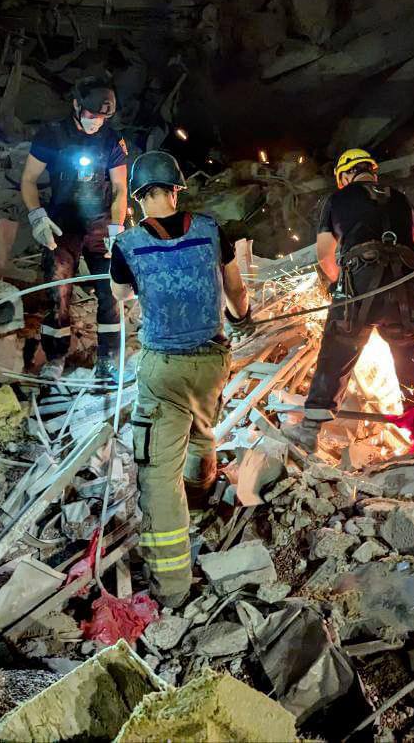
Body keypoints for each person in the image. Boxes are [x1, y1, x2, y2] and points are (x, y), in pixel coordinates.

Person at [108, 151, 251, 606]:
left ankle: (171, 587)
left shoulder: (128, 244)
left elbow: (120, 295)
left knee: (157, 476)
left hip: (163, 367)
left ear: (138, 198)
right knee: (202, 429)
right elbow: (236, 290)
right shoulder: (210, 230)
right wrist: (242, 316)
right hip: (212, 360)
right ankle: (202, 495)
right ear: (176, 189)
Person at [292, 149, 414, 453]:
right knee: (409, 351)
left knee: (339, 346)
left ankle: (310, 430)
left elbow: (325, 254)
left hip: (361, 282)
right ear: (372, 172)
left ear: (345, 175)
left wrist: (338, 286)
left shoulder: (336, 199)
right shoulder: (401, 199)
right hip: (405, 287)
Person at [21, 73, 128, 383]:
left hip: (100, 223)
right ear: (76, 105)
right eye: (92, 114)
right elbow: (28, 179)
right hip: (63, 222)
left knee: (110, 290)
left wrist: (117, 228)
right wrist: (37, 216)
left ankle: (108, 359)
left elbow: (120, 187)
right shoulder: (52, 135)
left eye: (103, 118)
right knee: (59, 290)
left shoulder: (111, 140)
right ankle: (55, 357)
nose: (97, 122)